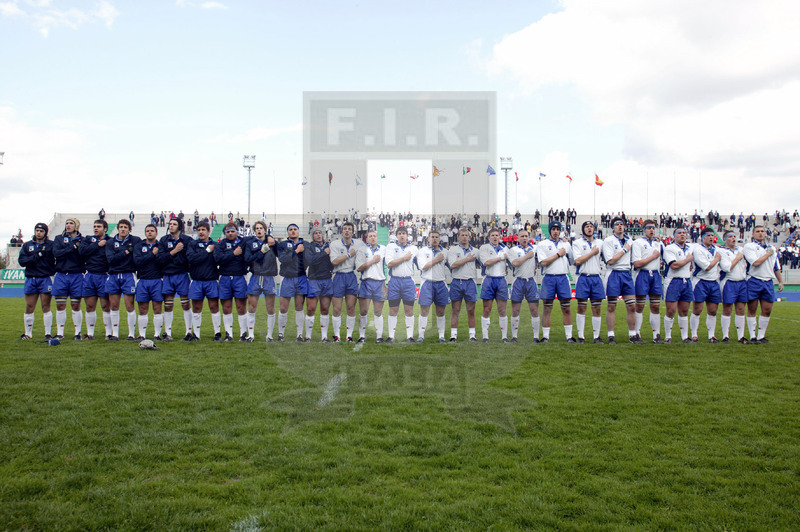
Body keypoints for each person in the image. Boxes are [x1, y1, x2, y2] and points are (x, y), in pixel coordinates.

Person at [602, 217, 642, 344]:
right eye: (617, 224)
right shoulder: (608, 241)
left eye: (621, 224)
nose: (620, 226)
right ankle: (611, 335)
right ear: (613, 227)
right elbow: (611, 260)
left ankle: (632, 335)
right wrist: (624, 250)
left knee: (631, 306)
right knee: (611, 306)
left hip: (626, 273)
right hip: (614, 273)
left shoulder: (630, 240)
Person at [743, 225, 784, 343]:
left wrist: (780, 281)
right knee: (752, 309)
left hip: (768, 281)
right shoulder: (750, 246)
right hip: (754, 279)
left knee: (767, 310)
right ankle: (752, 336)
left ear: (766, 233)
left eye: (762, 231)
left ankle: (761, 336)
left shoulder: (771, 248)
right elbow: (755, 263)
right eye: (757, 231)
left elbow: (776, 266)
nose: (760, 233)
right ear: (753, 234)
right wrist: (768, 254)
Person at [156, 217, 194, 342]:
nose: (171, 226)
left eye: (174, 224)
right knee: (168, 305)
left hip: (182, 274)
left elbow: (189, 259)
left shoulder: (187, 240)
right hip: (167, 275)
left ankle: (189, 332)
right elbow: (160, 259)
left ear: (179, 227)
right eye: (170, 224)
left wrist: (172, 259)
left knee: (185, 304)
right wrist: (174, 251)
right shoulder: (163, 240)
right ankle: (167, 333)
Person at [536, 221, 575, 343]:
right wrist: (558, 254)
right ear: (550, 230)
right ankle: (546, 337)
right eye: (553, 229)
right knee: (547, 308)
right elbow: (543, 262)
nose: (556, 231)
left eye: (558, 229)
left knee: (566, 308)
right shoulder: (542, 244)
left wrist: (563, 252)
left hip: (563, 277)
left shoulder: (566, 244)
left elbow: (572, 260)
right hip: (549, 278)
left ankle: (569, 336)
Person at [105, 219, 141, 341]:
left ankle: (131, 334)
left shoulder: (135, 240)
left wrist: (119, 254)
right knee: (114, 305)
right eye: (121, 227)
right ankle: (115, 334)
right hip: (114, 275)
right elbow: (111, 260)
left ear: (129, 229)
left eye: (125, 227)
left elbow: (136, 256)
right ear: (118, 228)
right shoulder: (110, 242)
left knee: (129, 305)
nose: (123, 229)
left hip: (128, 275)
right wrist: (125, 252)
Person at [18, 223, 55, 340]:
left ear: (45, 233)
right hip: (31, 278)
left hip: (44, 278)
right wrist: (36, 256)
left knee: (46, 306)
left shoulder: (51, 245)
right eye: (37, 230)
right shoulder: (27, 245)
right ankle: (28, 334)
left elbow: (56, 259)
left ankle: (47, 333)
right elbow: (22, 261)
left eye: (41, 231)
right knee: (29, 306)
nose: (38, 233)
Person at [186, 221, 221, 341]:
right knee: (196, 307)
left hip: (211, 280)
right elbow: (191, 259)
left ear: (208, 231)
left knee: (214, 306)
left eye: (203, 230)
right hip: (196, 280)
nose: (201, 232)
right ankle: (196, 334)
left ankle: (217, 333)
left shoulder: (216, 245)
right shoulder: (193, 244)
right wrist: (206, 251)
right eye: (199, 230)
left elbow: (219, 261)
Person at [328, 222, 363, 342]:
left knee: (351, 308)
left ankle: (349, 336)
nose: (347, 231)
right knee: (337, 309)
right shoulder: (335, 244)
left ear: (353, 232)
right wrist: (349, 255)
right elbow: (334, 262)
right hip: (338, 276)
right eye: (345, 229)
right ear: (341, 231)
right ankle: (337, 336)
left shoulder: (358, 243)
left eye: (349, 229)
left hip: (351, 276)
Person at [214, 222, 249, 342]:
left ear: (237, 232)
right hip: (224, 278)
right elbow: (218, 259)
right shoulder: (221, 244)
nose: (230, 233)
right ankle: (229, 334)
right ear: (225, 233)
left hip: (239, 277)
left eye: (232, 231)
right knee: (226, 307)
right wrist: (233, 254)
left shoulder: (243, 242)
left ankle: (243, 334)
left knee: (241, 306)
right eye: (228, 232)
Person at [244, 220, 278, 342]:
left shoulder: (272, 242)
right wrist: (261, 252)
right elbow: (247, 260)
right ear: (254, 231)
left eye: (261, 228)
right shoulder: (250, 243)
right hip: (255, 276)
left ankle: (269, 335)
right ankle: (251, 335)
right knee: (252, 307)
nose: (259, 230)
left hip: (269, 277)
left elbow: (281, 253)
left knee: (270, 308)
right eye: (256, 228)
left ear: (265, 230)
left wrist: (272, 241)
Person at [631, 220, 664, 343]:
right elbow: (637, 263)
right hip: (642, 274)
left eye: (653, 228)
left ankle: (657, 335)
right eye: (649, 228)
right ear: (644, 230)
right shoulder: (638, 243)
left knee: (655, 306)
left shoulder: (658, 244)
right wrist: (653, 257)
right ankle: (637, 333)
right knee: (639, 305)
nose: (651, 230)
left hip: (655, 275)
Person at [572, 221, 605, 343]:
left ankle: (596, 336)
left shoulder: (600, 243)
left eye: (591, 226)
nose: (589, 228)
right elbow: (578, 261)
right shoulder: (577, 243)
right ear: (583, 229)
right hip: (583, 277)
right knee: (581, 307)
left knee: (597, 309)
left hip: (596, 277)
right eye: (587, 226)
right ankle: (581, 336)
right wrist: (592, 253)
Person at [52, 218, 84, 340]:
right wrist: (73, 247)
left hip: (76, 275)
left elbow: (83, 254)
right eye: (67, 223)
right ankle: (60, 333)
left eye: (71, 223)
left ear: (77, 226)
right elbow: (57, 253)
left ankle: (78, 332)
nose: (68, 225)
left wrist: (73, 248)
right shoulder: (58, 238)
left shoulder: (82, 239)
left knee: (76, 305)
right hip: (61, 275)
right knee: (60, 305)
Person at [384, 226, 418, 342]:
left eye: (404, 233)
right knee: (393, 310)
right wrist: (404, 258)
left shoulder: (414, 249)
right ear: (396, 235)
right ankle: (391, 336)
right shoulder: (391, 247)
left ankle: (410, 336)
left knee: (409, 310)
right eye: (399, 233)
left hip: (408, 281)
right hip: (394, 281)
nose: (402, 235)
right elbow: (389, 263)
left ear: (407, 235)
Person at [416, 230, 449, 342]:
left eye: (436, 237)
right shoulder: (422, 251)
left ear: (439, 239)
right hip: (427, 283)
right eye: (432, 237)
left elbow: (451, 266)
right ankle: (421, 336)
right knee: (424, 310)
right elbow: (423, 266)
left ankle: (441, 336)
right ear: (428, 239)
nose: (434, 239)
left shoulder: (445, 251)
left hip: (441, 283)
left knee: (440, 311)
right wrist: (436, 260)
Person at [79, 219, 111, 340]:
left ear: (105, 229)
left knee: (105, 306)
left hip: (104, 275)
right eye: (94, 226)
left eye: (98, 226)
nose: (96, 228)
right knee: (90, 306)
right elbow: (82, 251)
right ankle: (90, 333)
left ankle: (108, 333)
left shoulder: (110, 241)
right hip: (90, 275)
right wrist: (97, 245)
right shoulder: (88, 239)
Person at [446, 227, 479, 342]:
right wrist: (467, 259)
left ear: (469, 237)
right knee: (455, 310)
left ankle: (472, 335)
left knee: (471, 310)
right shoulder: (453, 250)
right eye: (462, 235)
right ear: (458, 237)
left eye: (466, 235)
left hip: (470, 282)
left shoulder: (475, 251)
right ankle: (453, 335)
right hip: (457, 281)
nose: (464, 237)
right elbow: (453, 265)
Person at [276, 224, 308, 341]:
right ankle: (281, 334)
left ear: (298, 232)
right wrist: (296, 251)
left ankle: (299, 335)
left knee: (299, 306)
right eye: (290, 230)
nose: (293, 231)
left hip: (301, 277)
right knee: (283, 308)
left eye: (295, 229)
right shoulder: (282, 244)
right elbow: (283, 259)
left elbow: (308, 260)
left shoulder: (305, 244)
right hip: (288, 278)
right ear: (287, 232)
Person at [507, 229, 540, 342]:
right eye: (522, 236)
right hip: (518, 281)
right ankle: (514, 336)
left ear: (529, 237)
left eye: (526, 236)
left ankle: (536, 336)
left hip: (531, 281)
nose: (524, 238)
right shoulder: (513, 250)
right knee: (515, 310)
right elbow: (515, 263)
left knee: (534, 310)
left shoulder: (535, 248)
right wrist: (527, 256)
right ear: (517, 238)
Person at [662, 227, 694, 343]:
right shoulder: (670, 248)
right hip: (673, 281)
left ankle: (684, 337)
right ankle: (668, 336)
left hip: (686, 280)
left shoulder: (690, 247)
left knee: (684, 310)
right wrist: (688, 260)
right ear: (674, 236)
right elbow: (674, 265)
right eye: (679, 233)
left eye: (684, 233)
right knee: (671, 310)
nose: (682, 235)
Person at [690, 227, 722, 342]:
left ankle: (711, 335)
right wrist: (717, 259)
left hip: (714, 282)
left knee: (713, 310)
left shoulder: (717, 249)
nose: (711, 237)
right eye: (708, 235)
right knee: (697, 309)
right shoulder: (698, 250)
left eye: (712, 235)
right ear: (702, 237)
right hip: (701, 281)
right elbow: (707, 267)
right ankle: (694, 334)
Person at [132, 224, 163, 340]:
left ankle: (157, 335)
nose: (149, 232)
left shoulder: (161, 246)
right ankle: (142, 334)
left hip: (157, 280)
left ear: (156, 233)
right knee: (142, 309)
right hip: (143, 280)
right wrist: (152, 254)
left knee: (157, 308)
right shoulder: (139, 245)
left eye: (152, 231)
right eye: (147, 231)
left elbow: (163, 261)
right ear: (145, 233)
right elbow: (138, 262)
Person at [479, 228, 510, 342]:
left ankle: (504, 336)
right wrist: (501, 258)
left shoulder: (505, 248)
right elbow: (486, 262)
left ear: (499, 237)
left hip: (501, 280)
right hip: (489, 279)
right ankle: (485, 336)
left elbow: (513, 262)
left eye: (497, 235)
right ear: (488, 237)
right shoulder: (484, 248)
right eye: (492, 235)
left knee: (502, 310)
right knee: (487, 309)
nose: (495, 237)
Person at [717, 231, 749, 343]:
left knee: (741, 309)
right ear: (725, 239)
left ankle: (741, 336)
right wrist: (738, 258)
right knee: (727, 308)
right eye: (730, 237)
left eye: (735, 236)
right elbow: (727, 268)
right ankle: (725, 336)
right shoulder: (721, 251)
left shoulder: (740, 250)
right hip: (729, 282)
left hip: (742, 282)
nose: (733, 238)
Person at [355, 230, 386, 342]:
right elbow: (359, 268)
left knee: (378, 312)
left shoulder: (384, 249)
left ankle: (379, 336)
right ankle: (362, 336)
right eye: (370, 236)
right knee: (363, 311)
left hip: (379, 282)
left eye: (374, 236)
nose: (372, 238)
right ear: (366, 239)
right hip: (366, 282)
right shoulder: (362, 250)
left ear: (377, 238)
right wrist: (372, 261)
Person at [304, 229, 334, 342]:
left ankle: (324, 337)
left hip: (326, 280)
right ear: (313, 236)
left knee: (325, 309)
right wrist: (324, 253)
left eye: (320, 233)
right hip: (313, 280)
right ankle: (308, 336)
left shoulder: (329, 246)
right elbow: (311, 261)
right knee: (311, 309)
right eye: (316, 233)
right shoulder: (310, 247)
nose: (318, 235)